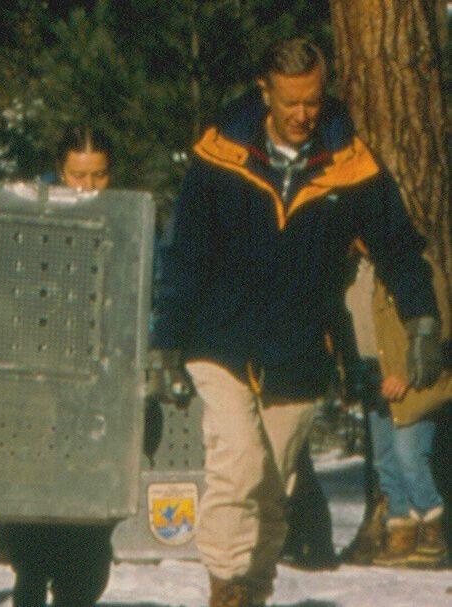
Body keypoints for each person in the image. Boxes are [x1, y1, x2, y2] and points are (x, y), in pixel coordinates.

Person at [150, 37, 441, 607]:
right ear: (266, 93)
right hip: (221, 338)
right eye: (291, 103)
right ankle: (226, 591)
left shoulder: (349, 163)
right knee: (237, 466)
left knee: (273, 486)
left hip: (302, 347)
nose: (304, 115)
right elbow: (184, 252)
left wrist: (422, 319)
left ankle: (251, 592)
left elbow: (398, 247)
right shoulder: (221, 155)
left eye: (313, 101)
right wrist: (166, 342)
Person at [0, 125, 116, 607]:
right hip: (36, 376)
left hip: (97, 383)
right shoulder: (31, 210)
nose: (87, 188)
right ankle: (28, 581)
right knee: (32, 512)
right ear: (58, 171)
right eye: (77, 175)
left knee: (89, 530)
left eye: (99, 176)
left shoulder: (125, 218)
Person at [365, 251, 452, 568]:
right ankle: (401, 530)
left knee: (409, 455)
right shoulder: (361, 270)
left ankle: (432, 532)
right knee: (385, 460)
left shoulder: (416, 264)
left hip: (414, 380)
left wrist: (407, 373)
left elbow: (437, 324)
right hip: (376, 375)